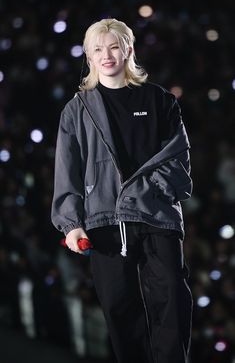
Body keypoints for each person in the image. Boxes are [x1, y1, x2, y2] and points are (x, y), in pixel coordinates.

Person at [51, 18, 193, 363]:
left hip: (155, 213)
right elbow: (66, 169)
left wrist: (151, 190)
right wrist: (71, 224)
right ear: (88, 57)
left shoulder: (158, 99)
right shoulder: (77, 110)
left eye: (114, 46)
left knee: (172, 296)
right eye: (98, 49)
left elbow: (178, 157)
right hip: (104, 218)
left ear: (128, 49)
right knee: (117, 306)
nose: (107, 55)